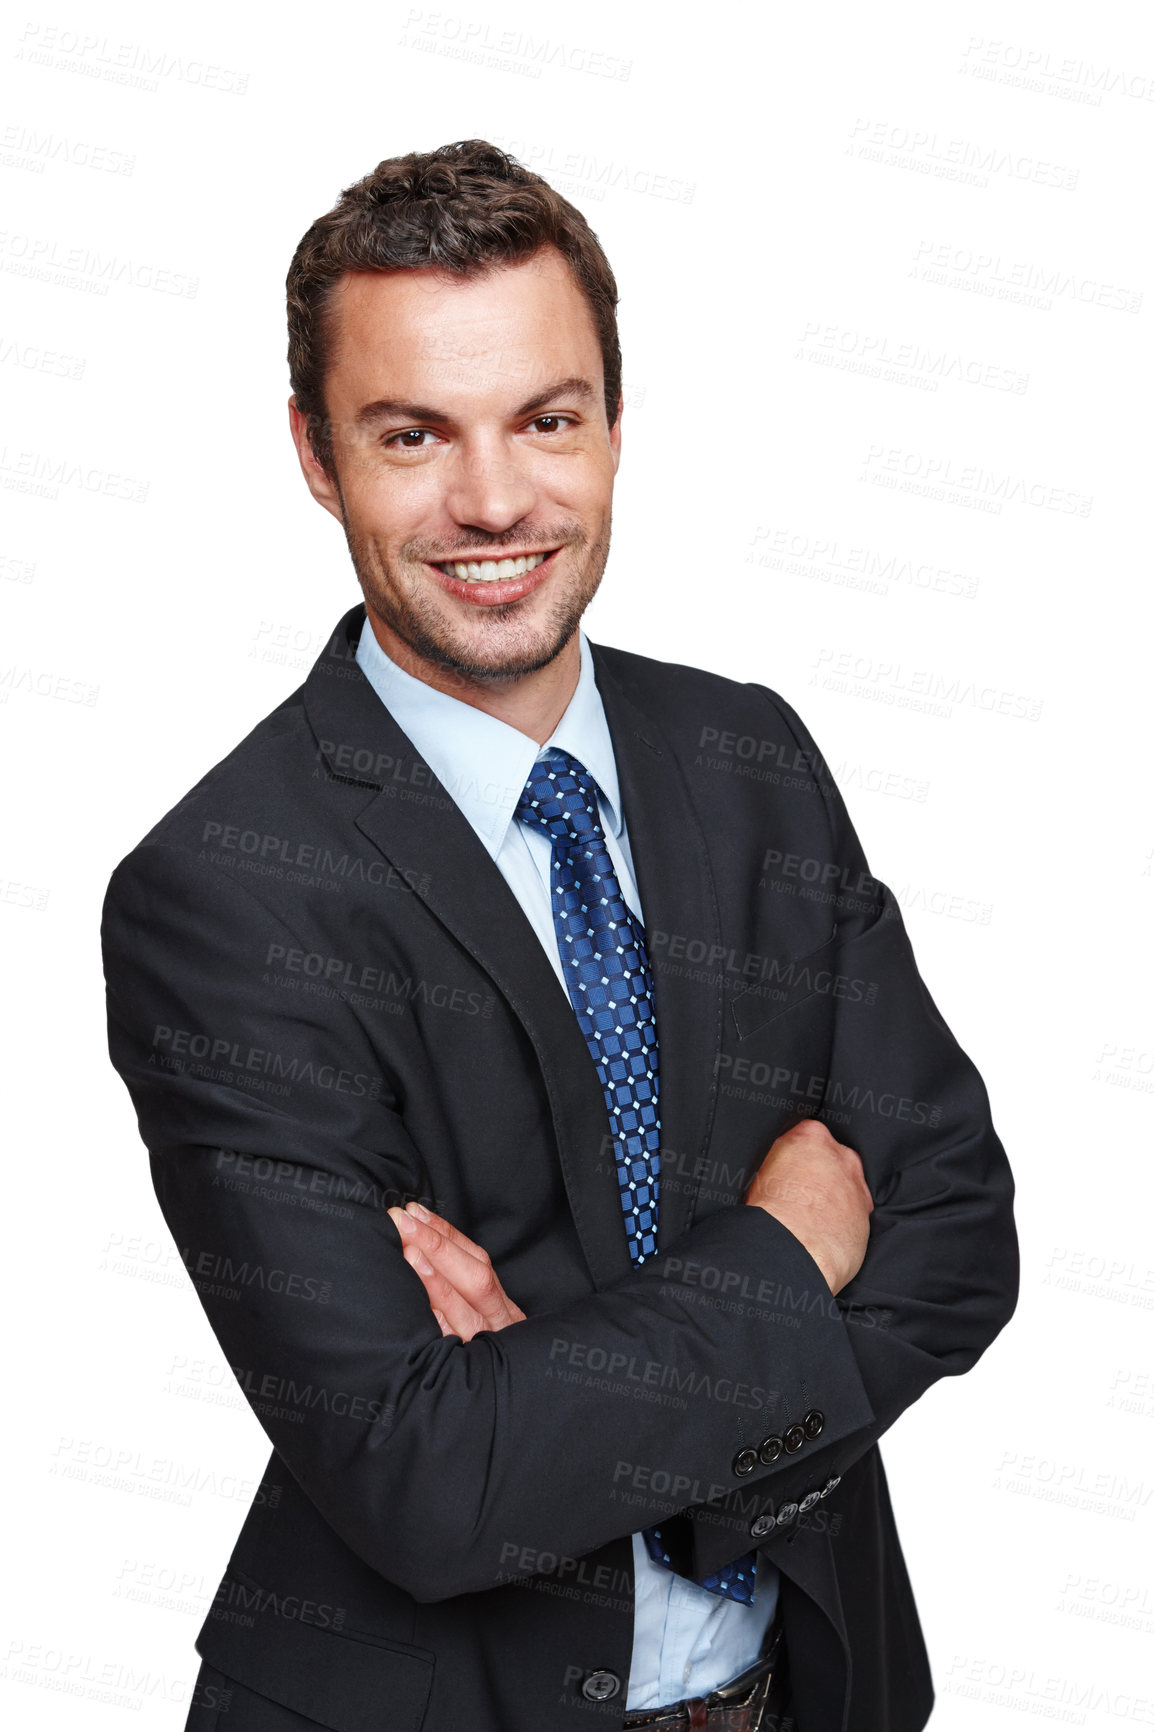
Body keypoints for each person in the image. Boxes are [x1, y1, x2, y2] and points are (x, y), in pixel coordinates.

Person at [101, 139, 1018, 1732]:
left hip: (806, 1683)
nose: (493, 500)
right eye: (411, 434)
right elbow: (426, 1480)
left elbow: (955, 1236)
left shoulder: (751, 759)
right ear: (316, 454)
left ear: (609, 420)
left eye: (546, 419)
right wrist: (793, 1257)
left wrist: (582, 1412)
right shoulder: (223, 895)